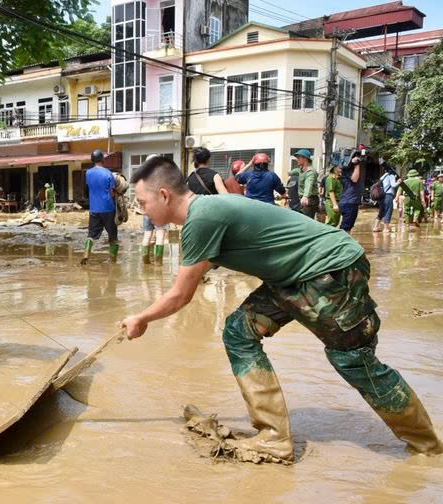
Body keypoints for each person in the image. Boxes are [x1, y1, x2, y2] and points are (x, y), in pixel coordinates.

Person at [121, 156, 441, 462]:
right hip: (290, 279)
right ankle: (273, 435)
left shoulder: (201, 218)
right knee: (238, 330)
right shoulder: (206, 212)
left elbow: (180, 295)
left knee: (354, 359)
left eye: (143, 202)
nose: (141, 210)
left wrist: (142, 318)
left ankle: (428, 447)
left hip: (329, 270)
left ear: (163, 195)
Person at [80, 150, 119, 265]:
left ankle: (86, 253)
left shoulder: (88, 173)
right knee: (112, 236)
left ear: (92, 160)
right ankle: (113, 261)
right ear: (102, 159)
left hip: (94, 209)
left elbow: (88, 189)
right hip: (108, 208)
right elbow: (112, 193)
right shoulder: (108, 173)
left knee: (91, 234)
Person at [338, 155, 363, 233]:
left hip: (346, 201)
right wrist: (357, 164)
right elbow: (354, 179)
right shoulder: (349, 171)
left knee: (346, 226)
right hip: (350, 202)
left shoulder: (344, 171)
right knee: (345, 228)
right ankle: (342, 243)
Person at [372, 167, 400, 233]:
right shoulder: (391, 176)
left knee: (381, 211)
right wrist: (398, 182)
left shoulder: (384, 176)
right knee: (388, 211)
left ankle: (375, 227)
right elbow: (393, 185)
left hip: (381, 196)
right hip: (388, 195)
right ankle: (386, 228)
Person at [294, 149, 318, 219]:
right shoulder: (301, 169)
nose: (296, 159)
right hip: (303, 199)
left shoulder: (310, 172)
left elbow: (308, 184)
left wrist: (305, 196)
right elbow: (293, 171)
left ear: (305, 158)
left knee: (306, 221)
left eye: (298, 158)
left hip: (309, 199)